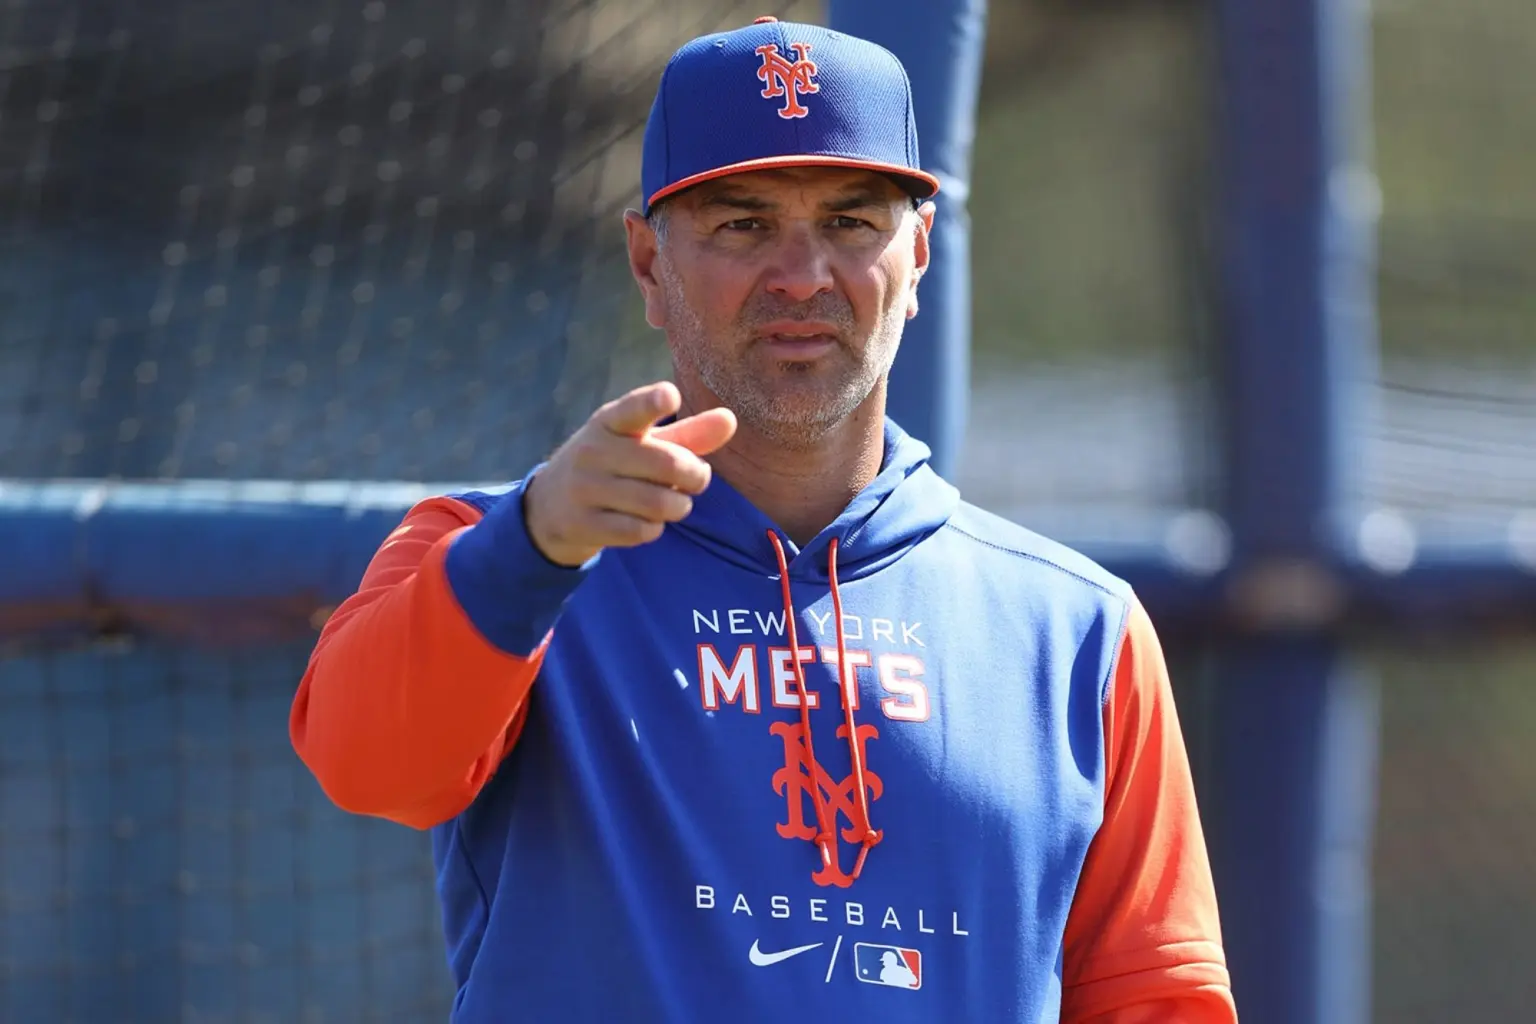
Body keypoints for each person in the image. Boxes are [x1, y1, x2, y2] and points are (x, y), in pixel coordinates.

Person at [290, 16, 1237, 1023]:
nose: (801, 275)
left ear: (918, 255)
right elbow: (367, 765)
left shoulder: (1076, 630)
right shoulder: (497, 552)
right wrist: (529, 550)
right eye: (742, 224)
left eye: (851, 223)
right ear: (649, 263)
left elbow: (1158, 997)